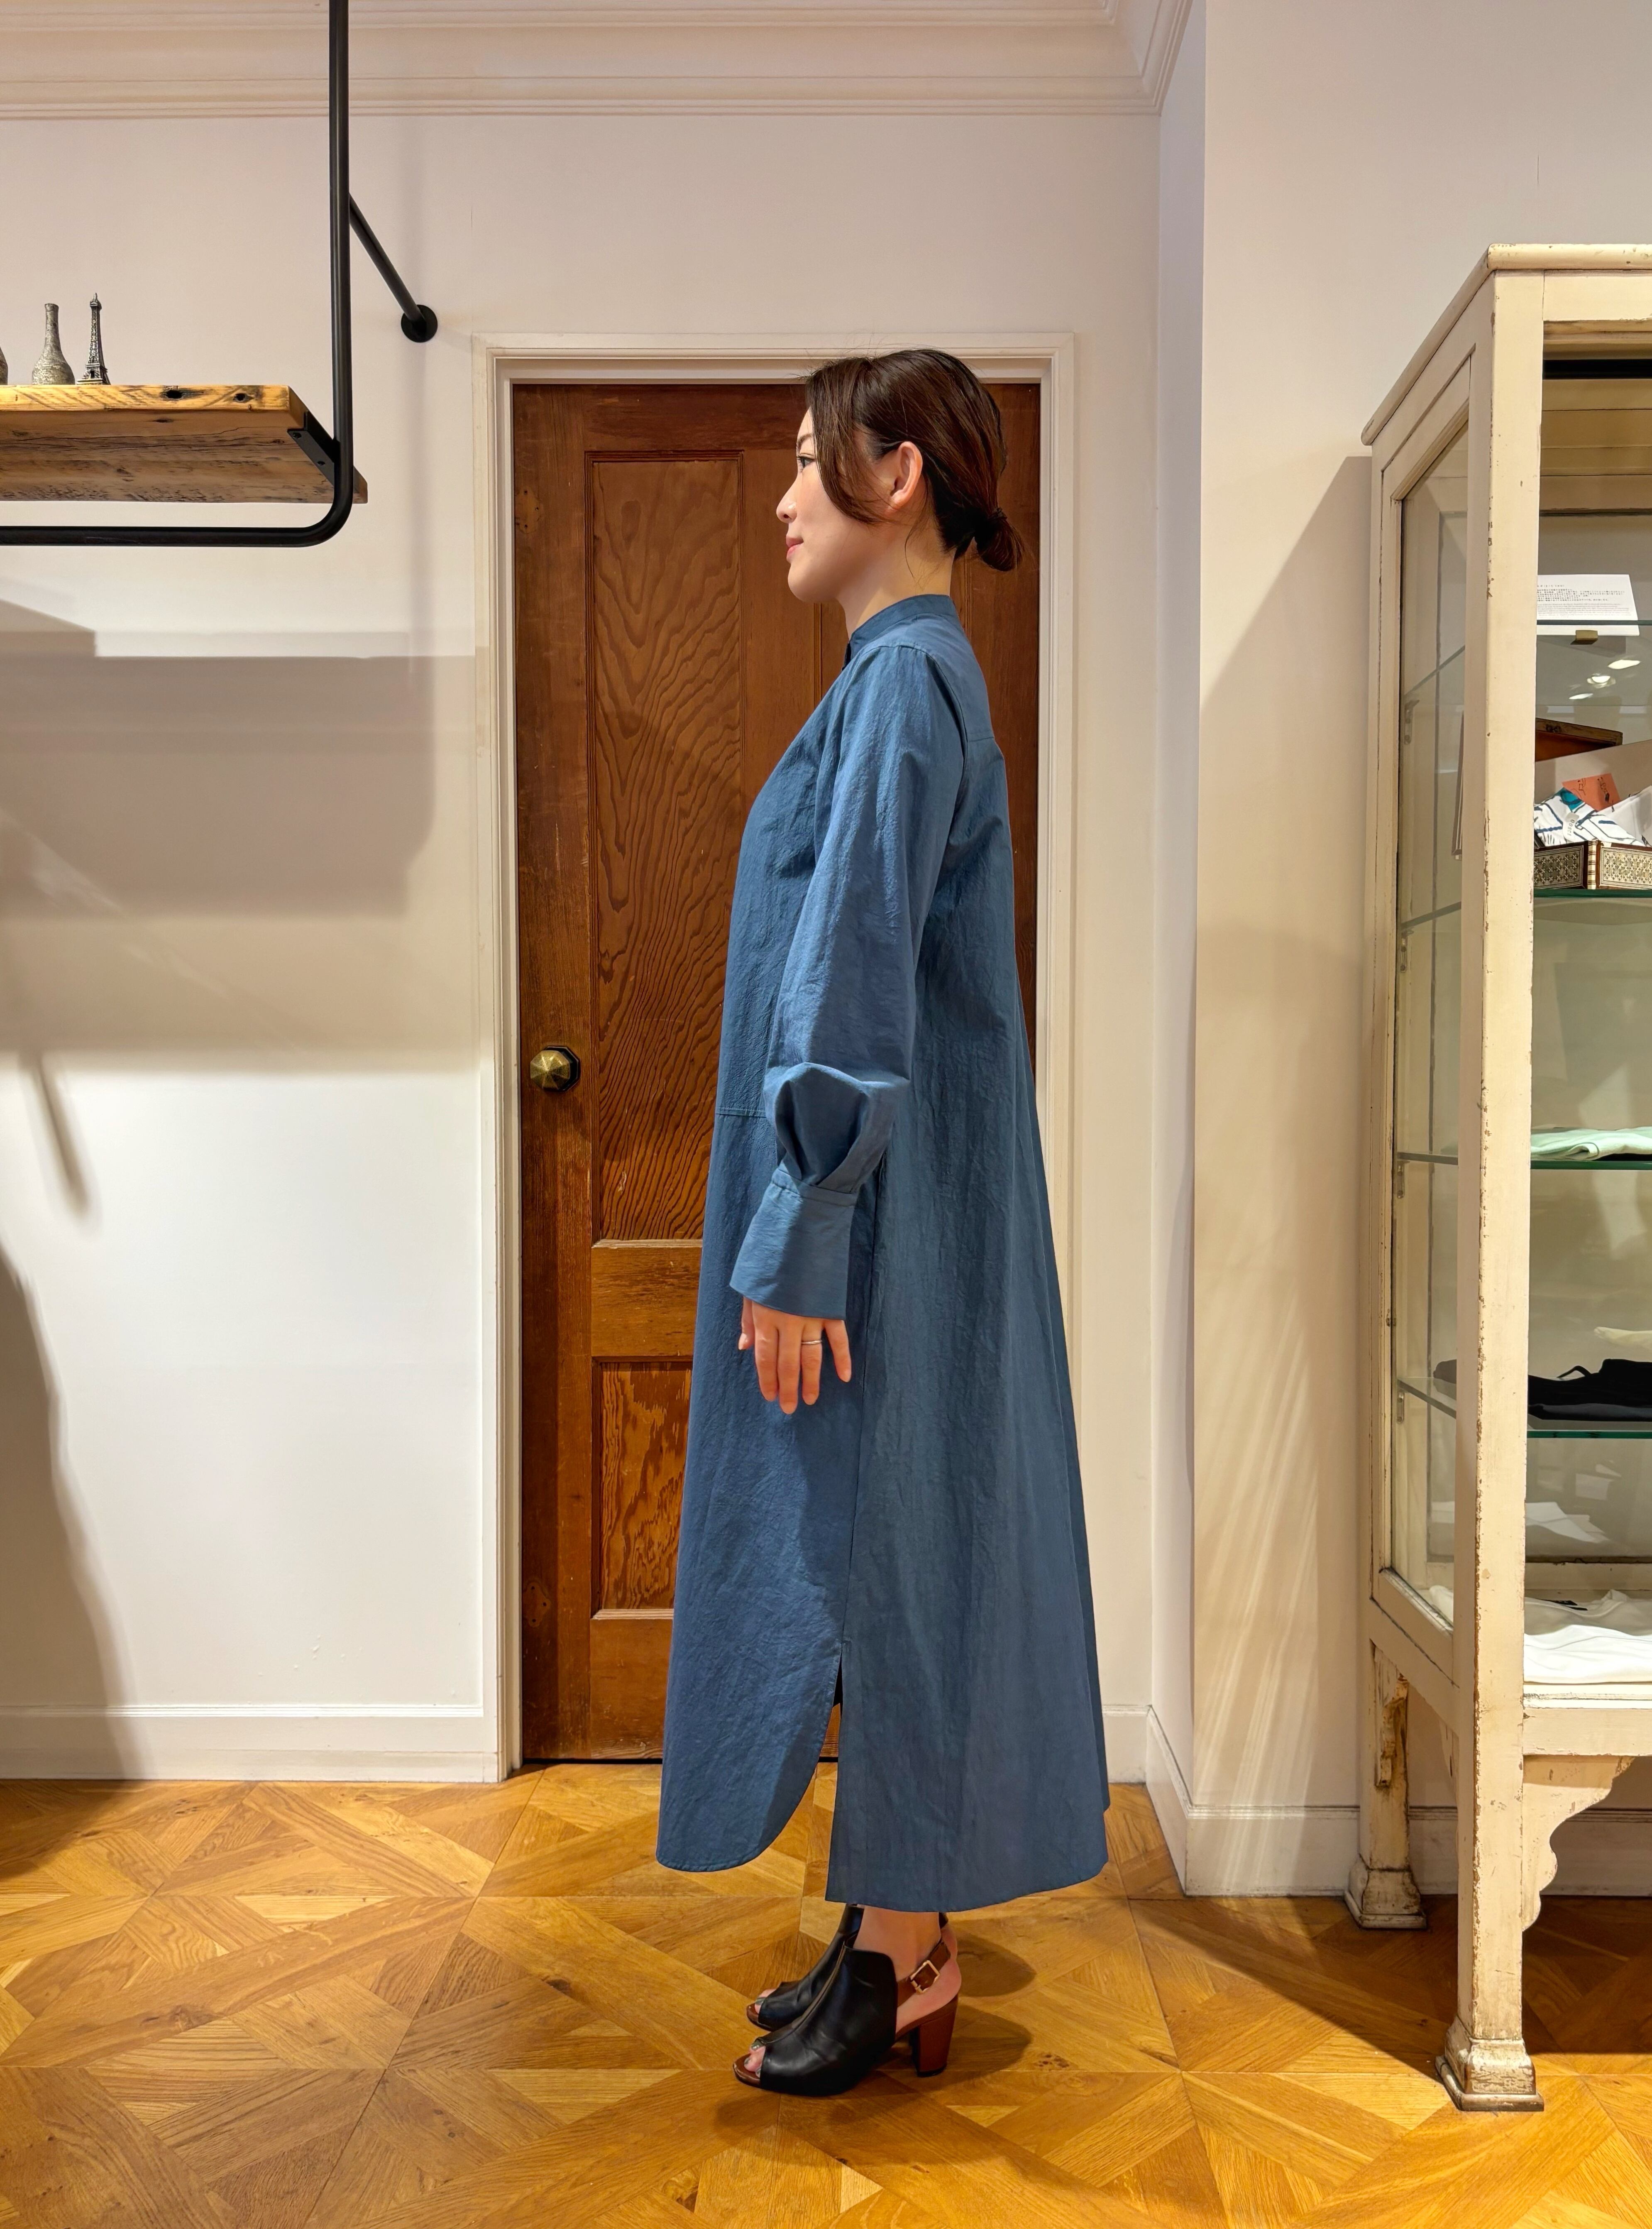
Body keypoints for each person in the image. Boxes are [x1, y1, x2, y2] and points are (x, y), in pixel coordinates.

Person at [656, 349, 1107, 2095]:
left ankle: (908, 1946)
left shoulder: (907, 684)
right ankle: (885, 1923)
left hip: (882, 1226)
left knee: (894, 1555)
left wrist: (802, 1232)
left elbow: (848, 985)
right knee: (891, 1544)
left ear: (898, 473)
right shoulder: (897, 683)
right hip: (900, 1211)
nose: (783, 497)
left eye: (807, 460)